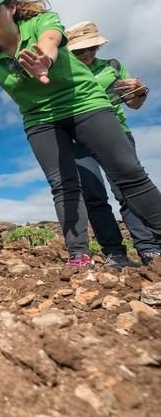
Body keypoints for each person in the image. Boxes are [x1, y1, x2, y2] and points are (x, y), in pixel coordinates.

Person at [0, 0, 161, 267]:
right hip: (40, 121)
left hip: (84, 104)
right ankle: (79, 254)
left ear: (13, 8)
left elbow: (50, 40)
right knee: (63, 186)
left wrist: (45, 60)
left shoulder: (43, 22)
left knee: (128, 173)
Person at [66, 21, 160, 266]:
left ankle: (149, 249)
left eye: (92, 48)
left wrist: (139, 91)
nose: (87, 54)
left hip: (117, 133)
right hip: (79, 140)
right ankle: (114, 253)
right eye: (80, 51)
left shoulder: (113, 66)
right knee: (94, 196)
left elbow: (134, 104)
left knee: (127, 191)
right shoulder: (63, 75)